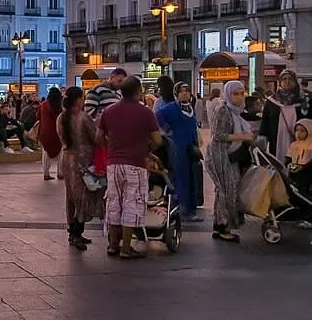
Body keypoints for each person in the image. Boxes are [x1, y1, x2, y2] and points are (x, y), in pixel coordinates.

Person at [96, 76, 162, 259]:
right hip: (136, 164)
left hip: (113, 164)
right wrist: (147, 149)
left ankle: (112, 245)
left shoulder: (109, 111)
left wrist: (111, 147)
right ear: (138, 92)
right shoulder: (146, 113)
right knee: (132, 204)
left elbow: (98, 137)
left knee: (114, 202)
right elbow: (158, 140)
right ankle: (126, 248)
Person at [205, 80, 255, 243]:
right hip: (221, 157)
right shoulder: (223, 110)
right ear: (228, 94)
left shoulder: (236, 111)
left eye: (242, 93)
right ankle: (223, 227)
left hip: (230, 155)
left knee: (226, 190)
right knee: (226, 190)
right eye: (235, 94)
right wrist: (244, 137)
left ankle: (221, 225)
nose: (239, 97)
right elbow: (218, 135)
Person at [58, 86, 103, 250]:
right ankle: (77, 232)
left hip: (67, 160)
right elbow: (95, 137)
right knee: (83, 197)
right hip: (83, 161)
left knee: (71, 196)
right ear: (78, 99)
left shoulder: (60, 118)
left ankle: (73, 232)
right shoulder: (83, 117)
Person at [156, 82, 203, 221]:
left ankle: (190, 208)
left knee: (191, 178)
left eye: (187, 91)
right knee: (180, 178)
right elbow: (156, 117)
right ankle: (180, 209)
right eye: (181, 91)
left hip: (190, 149)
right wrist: (167, 132)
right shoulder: (171, 108)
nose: (185, 93)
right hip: (177, 148)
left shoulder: (190, 108)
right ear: (176, 93)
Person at [261, 69, 312, 157]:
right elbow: (265, 123)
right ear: (280, 82)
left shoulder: (306, 100)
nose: (287, 81)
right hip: (277, 141)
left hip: (301, 142)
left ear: (295, 81)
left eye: (290, 79)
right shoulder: (272, 101)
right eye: (284, 79)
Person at [39, 88, 64, 179]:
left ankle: (46, 173)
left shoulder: (43, 105)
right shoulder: (60, 106)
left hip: (45, 131)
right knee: (60, 152)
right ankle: (60, 173)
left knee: (46, 152)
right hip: (58, 131)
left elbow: (38, 117)